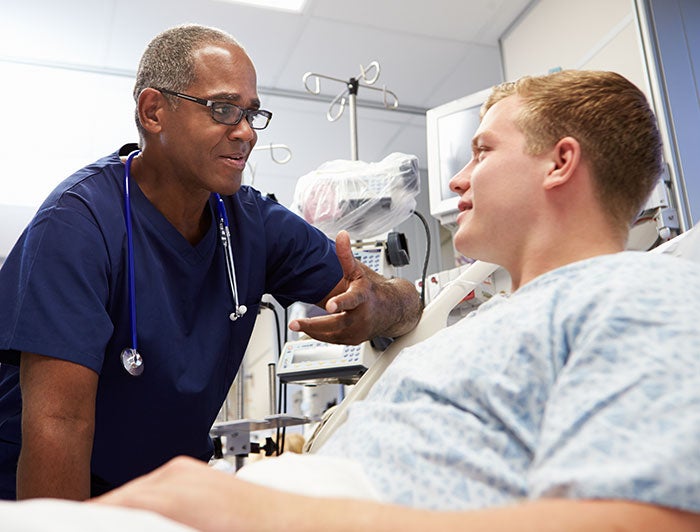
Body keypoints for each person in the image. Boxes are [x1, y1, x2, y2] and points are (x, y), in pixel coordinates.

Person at [94, 69, 700, 531]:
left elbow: (644, 518)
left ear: (561, 163)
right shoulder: (489, 314)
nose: (459, 179)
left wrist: (270, 511)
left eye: (484, 151)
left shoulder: (640, 294)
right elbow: (410, 306)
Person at [0, 24, 422, 501]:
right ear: (154, 111)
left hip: (162, 490)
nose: (245, 133)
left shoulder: (253, 223)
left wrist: (377, 306)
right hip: (47, 492)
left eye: (252, 114)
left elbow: (405, 301)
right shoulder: (78, 223)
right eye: (223, 109)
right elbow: (60, 424)